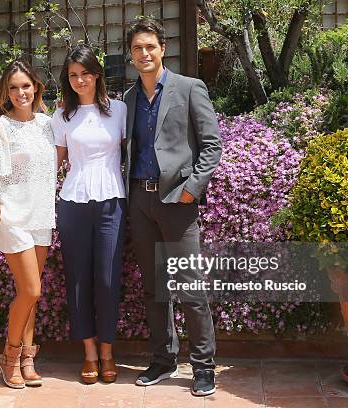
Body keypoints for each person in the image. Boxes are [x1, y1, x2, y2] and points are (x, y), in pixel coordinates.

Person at [123, 18, 223, 396]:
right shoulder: (128, 99)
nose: (144, 54)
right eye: (137, 48)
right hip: (140, 201)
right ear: (131, 54)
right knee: (154, 288)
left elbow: (212, 145)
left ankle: (203, 367)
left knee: (190, 288)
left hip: (177, 204)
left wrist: (191, 190)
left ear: (163, 48)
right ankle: (163, 360)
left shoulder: (189, 88)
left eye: (150, 46)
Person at [51, 45, 127, 384]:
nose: (80, 80)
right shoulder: (61, 117)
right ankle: (90, 353)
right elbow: (54, 164)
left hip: (113, 202)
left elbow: (135, 154)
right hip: (73, 203)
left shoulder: (120, 110)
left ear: (97, 74)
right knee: (79, 280)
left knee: (108, 280)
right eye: (73, 76)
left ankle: (109, 351)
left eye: (85, 73)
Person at [0, 59, 56, 389]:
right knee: (31, 289)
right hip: (14, 218)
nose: (20, 92)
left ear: (36, 87)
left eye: (26, 85)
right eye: (13, 87)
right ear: (5, 93)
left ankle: (27, 358)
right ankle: (9, 357)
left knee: (31, 295)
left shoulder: (48, 125)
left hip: (41, 216)